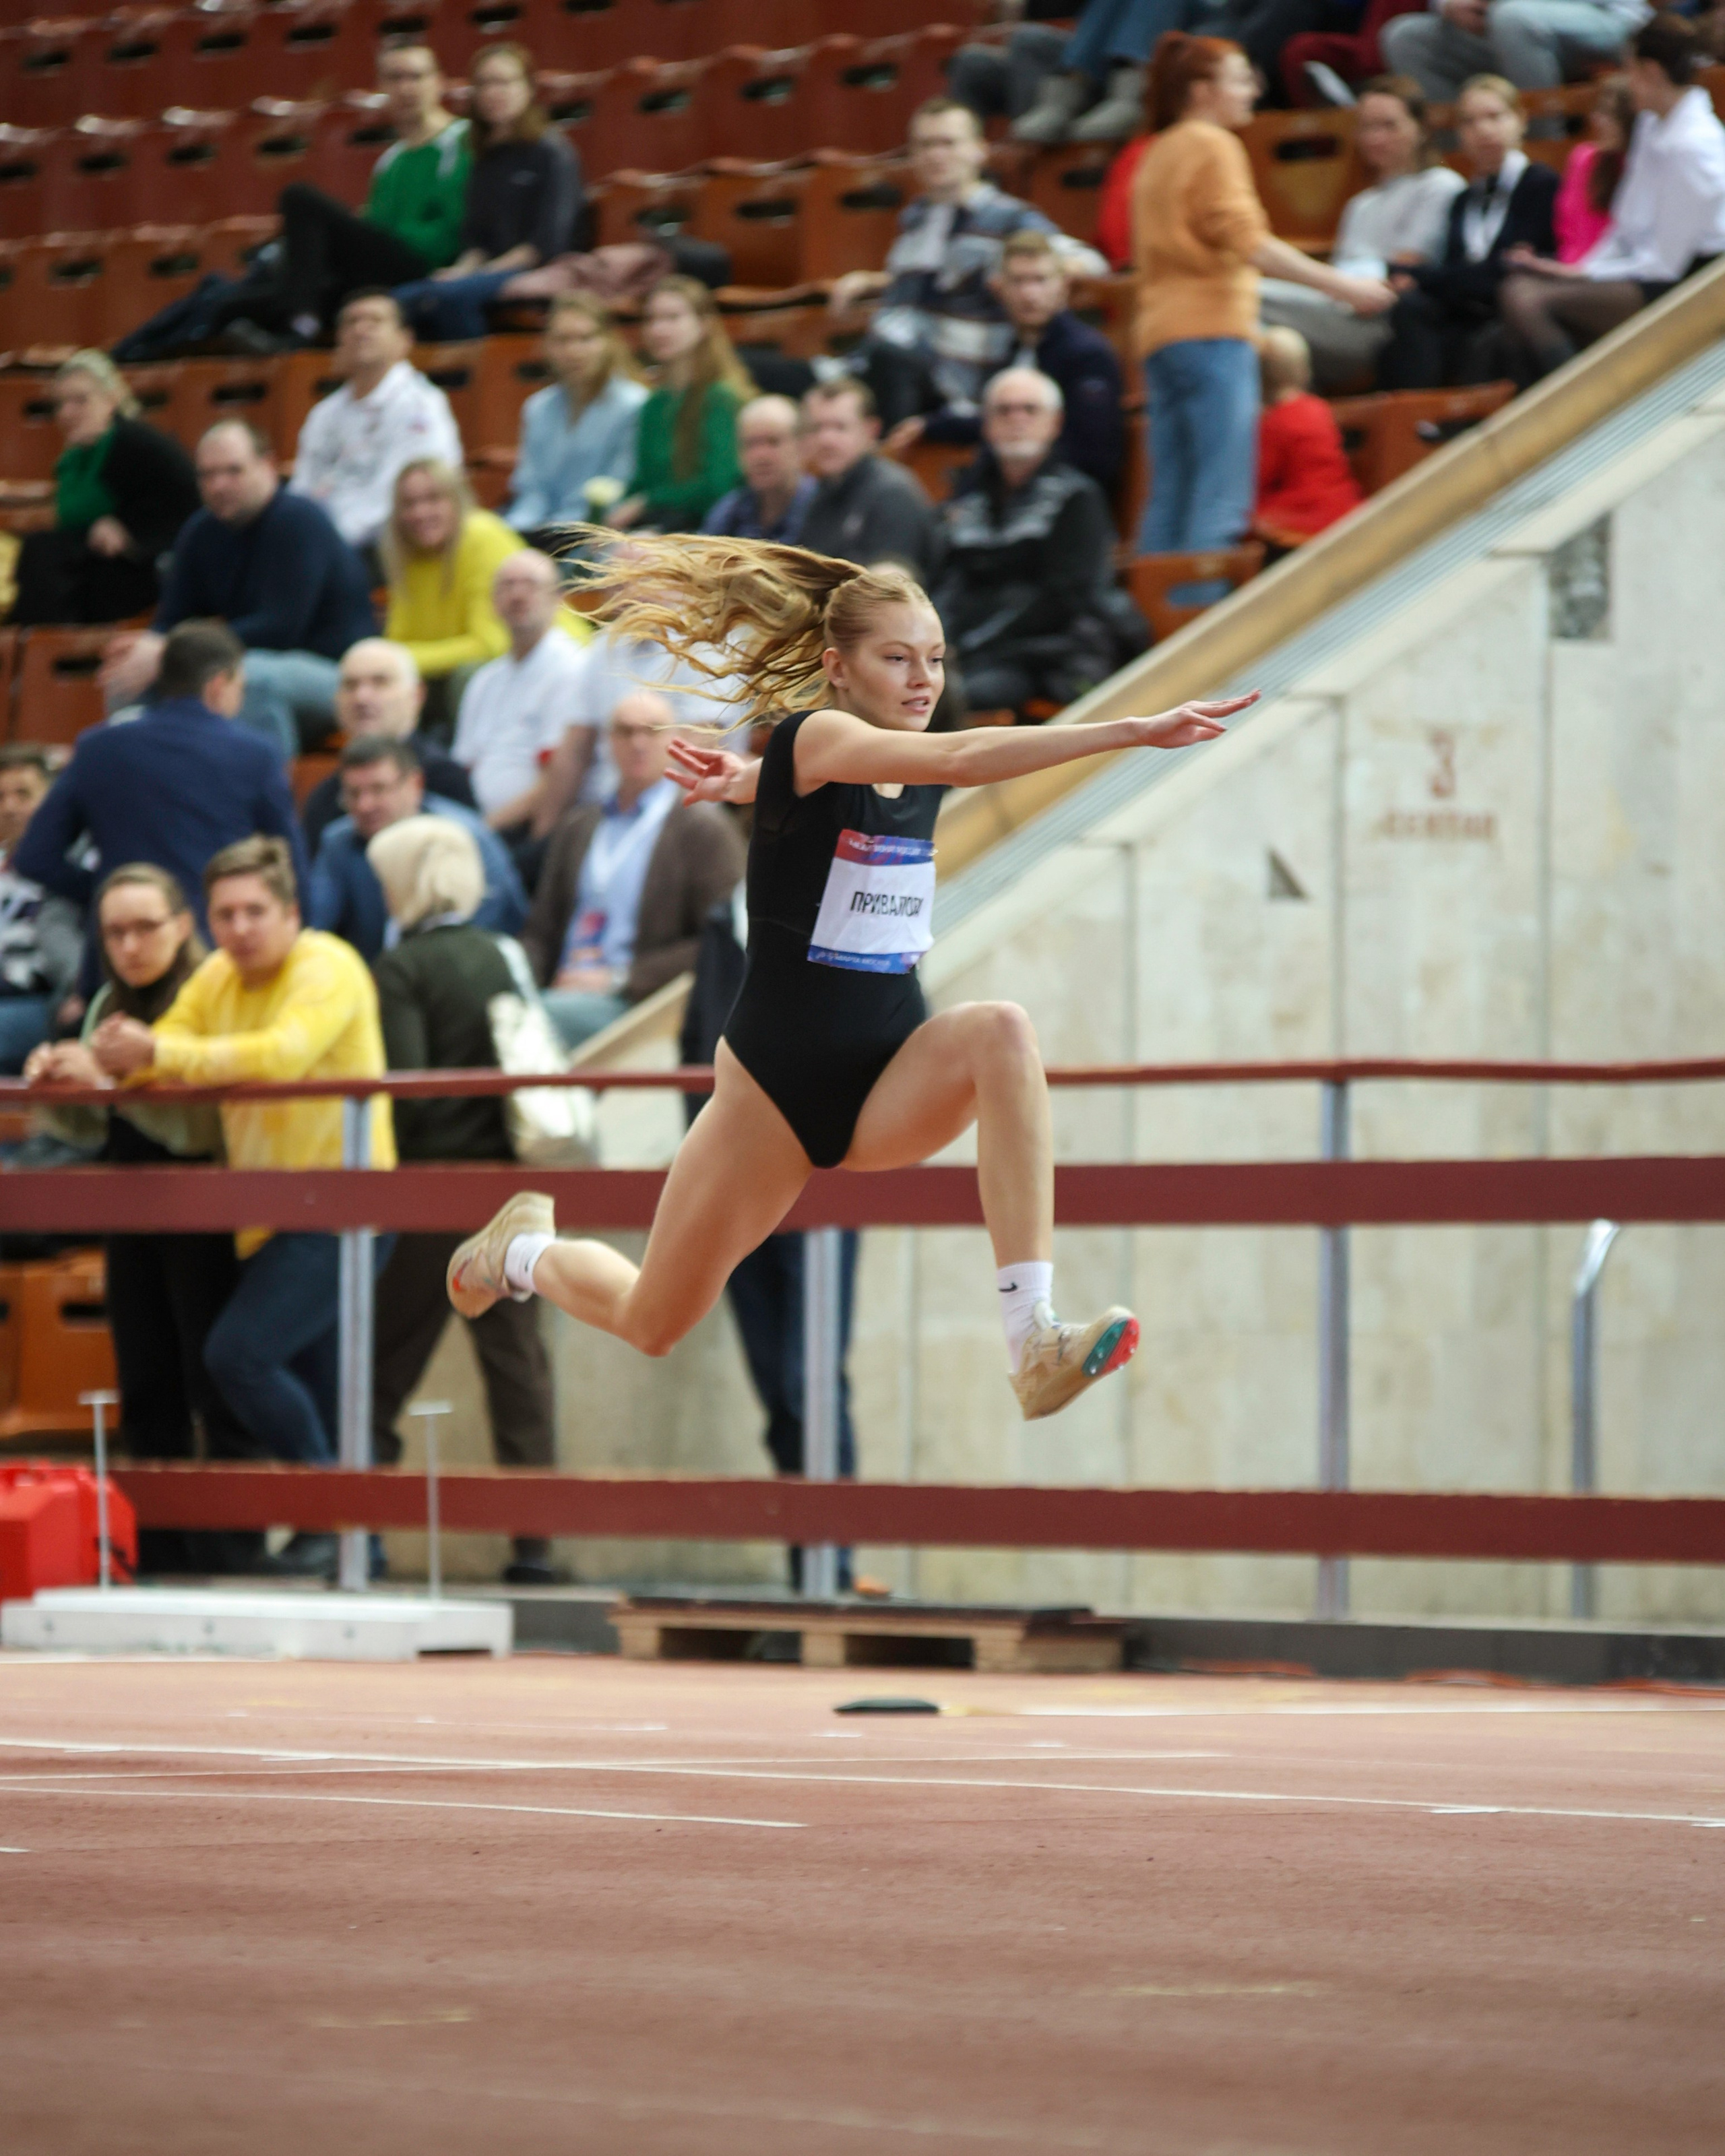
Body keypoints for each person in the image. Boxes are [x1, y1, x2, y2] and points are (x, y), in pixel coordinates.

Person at [447, 533, 1253, 1423]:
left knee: (1003, 1032)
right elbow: (947, 760)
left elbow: (853, 783)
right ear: (837, 666)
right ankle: (523, 1253)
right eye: (898, 659)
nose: (924, 681)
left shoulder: (848, 754)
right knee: (652, 1320)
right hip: (774, 1095)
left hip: (886, 1074)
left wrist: (751, 782)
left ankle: (1033, 1336)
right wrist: (1134, 729)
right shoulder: (821, 731)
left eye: (936, 660)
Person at [89, 835, 396, 1577]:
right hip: (264, 1208)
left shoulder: (329, 963)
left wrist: (152, 1057)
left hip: (342, 1203)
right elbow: (168, 1049)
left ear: (292, 912)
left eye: (255, 910)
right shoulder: (219, 975)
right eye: (225, 912)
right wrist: (105, 1060)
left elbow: (281, 1053)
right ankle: (362, 1545)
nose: (239, 926)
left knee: (239, 1354)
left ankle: (334, 1515)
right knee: (315, 1384)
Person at [24, 864, 255, 1575]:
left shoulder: (208, 992)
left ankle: (228, 1546)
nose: (129, 944)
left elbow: (196, 1131)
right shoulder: (105, 1003)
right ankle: (154, 1542)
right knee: (145, 1380)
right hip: (128, 1211)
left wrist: (108, 1083)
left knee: (208, 1380)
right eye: (115, 931)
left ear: (183, 925)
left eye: (145, 927)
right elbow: (90, 1130)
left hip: (203, 1210)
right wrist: (56, 1083)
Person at [367, 815, 561, 1587]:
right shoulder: (502, 954)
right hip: (512, 1190)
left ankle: (363, 1532)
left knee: (382, 1366)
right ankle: (535, 1546)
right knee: (518, 1368)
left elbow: (411, 1092)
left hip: (432, 1190)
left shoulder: (401, 967)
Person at [1133, 35, 1394, 563]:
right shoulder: (1213, 144)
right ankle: (1204, 633)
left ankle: (1159, 630)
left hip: (1160, 338)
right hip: (1212, 332)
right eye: (1239, 77)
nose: (1254, 88)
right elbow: (1250, 244)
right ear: (1203, 90)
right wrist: (1344, 287)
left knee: (1170, 499)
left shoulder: (1156, 152)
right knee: (1220, 500)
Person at [13, 622, 311, 959]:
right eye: (239, 687)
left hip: (122, 957)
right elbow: (290, 865)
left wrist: (105, 889)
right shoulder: (256, 754)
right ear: (218, 686)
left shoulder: (99, 747)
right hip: (218, 956)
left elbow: (34, 856)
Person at [98, 422, 377, 759]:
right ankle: (148, 793)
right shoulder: (200, 531)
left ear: (268, 466)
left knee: (250, 679)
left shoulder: (300, 521)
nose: (219, 485)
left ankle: (261, 797)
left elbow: (280, 627)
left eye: (233, 471)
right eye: (207, 475)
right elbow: (171, 619)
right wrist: (148, 649)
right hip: (242, 660)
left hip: (340, 675)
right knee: (129, 678)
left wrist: (168, 650)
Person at [831, 100, 1106, 433]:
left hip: (948, 384)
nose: (935, 155)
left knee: (891, 361)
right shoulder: (916, 219)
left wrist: (1048, 273)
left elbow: (1090, 262)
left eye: (948, 143)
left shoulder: (1009, 219)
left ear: (979, 150)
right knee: (768, 373)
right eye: (925, 145)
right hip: (874, 364)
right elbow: (932, 283)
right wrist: (875, 281)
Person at [1497, 17, 1725, 381]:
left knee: (1529, 301)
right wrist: (1579, 270)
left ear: (1650, 71)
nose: (1627, 81)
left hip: (1690, 283)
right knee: (1516, 291)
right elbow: (1627, 222)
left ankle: (1577, 397)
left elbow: (1665, 264)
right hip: (1644, 268)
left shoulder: (1695, 147)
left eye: (1631, 71)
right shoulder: (1654, 126)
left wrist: (1587, 276)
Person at [522, 689, 745, 1049]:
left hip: (641, 1006)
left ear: (677, 740)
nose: (638, 743)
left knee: (534, 1026)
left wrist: (620, 978)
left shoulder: (703, 828)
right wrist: (519, 984)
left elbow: (723, 941)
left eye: (653, 730)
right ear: (608, 741)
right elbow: (541, 928)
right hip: (562, 987)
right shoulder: (580, 825)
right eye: (625, 732)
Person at [216, 42, 471, 350]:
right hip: (383, 268)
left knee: (300, 198)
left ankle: (300, 324)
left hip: (427, 266)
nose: (406, 88)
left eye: (416, 77)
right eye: (395, 78)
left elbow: (452, 231)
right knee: (234, 304)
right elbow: (377, 228)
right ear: (383, 87)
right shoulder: (393, 158)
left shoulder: (461, 141)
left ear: (439, 82)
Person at [932, 370, 1131, 713]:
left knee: (950, 698)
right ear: (987, 424)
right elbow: (948, 584)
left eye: (1029, 409)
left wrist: (975, 642)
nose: (1017, 419)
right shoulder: (966, 504)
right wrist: (939, 644)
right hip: (971, 653)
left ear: (1055, 422)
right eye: (1004, 410)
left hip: (1046, 658)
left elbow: (1071, 597)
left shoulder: (1077, 497)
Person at [1259, 77, 1466, 392]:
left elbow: (1406, 270)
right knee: (1250, 325)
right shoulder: (1360, 205)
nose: (1376, 138)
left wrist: (1345, 288)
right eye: (1368, 127)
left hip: (1381, 320)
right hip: (1338, 305)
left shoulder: (1440, 185)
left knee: (1246, 295)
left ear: (1421, 129)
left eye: (1389, 126)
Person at [885, 231, 1127, 498]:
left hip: (1066, 501)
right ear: (999, 288)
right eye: (1018, 281)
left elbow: (1093, 455)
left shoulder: (1085, 353)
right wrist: (930, 426)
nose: (1029, 294)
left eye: (1040, 280)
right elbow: (998, 420)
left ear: (1063, 286)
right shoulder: (1013, 351)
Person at [1375, 74, 1561, 389]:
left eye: (1494, 117)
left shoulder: (1540, 184)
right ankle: (1415, 420)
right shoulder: (1463, 199)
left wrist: (1424, 275)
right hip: (1466, 309)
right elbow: (1461, 271)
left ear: (1520, 120)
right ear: (1460, 134)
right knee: (1405, 312)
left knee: (1486, 338)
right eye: (1470, 122)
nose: (1484, 131)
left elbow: (1505, 270)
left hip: (1510, 308)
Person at [392, 44, 582, 344]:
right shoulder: (483, 156)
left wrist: (479, 275)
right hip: (490, 270)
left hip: (537, 267)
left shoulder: (552, 151)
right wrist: (461, 270)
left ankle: (474, 378)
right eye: (483, 84)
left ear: (529, 88)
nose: (493, 92)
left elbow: (546, 244)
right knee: (400, 300)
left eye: (504, 82)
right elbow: (477, 240)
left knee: (451, 298)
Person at [10, 352, 199, 629]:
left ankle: (43, 647)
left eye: (80, 400)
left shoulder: (133, 441)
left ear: (111, 400)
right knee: (40, 551)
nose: (66, 413)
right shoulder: (74, 458)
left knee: (45, 555)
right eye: (60, 404)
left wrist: (130, 532)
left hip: (158, 565)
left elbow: (188, 505)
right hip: (106, 562)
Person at [308, 736, 525, 963]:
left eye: (379, 789)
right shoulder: (338, 842)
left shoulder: (463, 837)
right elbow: (317, 926)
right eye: (353, 794)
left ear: (415, 784)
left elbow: (496, 923)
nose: (365, 805)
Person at [290, 292, 463, 561]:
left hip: (389, 548)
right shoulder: (323, 414)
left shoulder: (421, 407)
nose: (361, 329)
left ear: (405, 340)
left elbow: (402, 501)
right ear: (339, 340)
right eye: (351, 322)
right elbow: (302, 490)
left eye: (375, 320)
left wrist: (327, 543)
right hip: (323, 548)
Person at [451, 549, 595, 857]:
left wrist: (483, 829)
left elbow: (558, 778)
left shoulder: (572, 669)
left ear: (558, 598)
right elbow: (464, 767)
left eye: (530, 584)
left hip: (528, 833)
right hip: (478, 826)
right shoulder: (484, 680)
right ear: (493, 602)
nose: (518, 595)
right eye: (507, 585)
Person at [301, 638, 476, 858]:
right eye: (350, 685)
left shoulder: (444, 778)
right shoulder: (324, 797)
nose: (362, 697)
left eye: (380, 682)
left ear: (417, 694)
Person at [383, 459, 520, 733]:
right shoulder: (406, 554)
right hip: (444, 679)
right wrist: (394, 661)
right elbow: (397, 643)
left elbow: (490, 645)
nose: (420, 513)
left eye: (433, 499)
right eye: (409, 504)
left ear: (458, 500)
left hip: (534, 669)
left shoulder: (483, 536)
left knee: (469, 676)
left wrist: (402, 658)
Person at [609, 278, 753, 534]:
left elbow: (718, 486)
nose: (659, 330)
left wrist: (647, 502)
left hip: (708, 532)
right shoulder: (653, 405)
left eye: (673, 318)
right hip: (656, 525)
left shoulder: (722, 399)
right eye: (652, 319)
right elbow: (642, 480)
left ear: (703, 325)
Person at [503, 294, 648, 546]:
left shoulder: (634, 405)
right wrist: (515, 534)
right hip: (539, 533)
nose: (573, 351)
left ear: (608, 342)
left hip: (599, 535)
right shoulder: (537, 408)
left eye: (586, 338)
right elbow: (531, 489)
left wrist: (560, 535)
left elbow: (616, 490)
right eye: (562, 340)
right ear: (547, 346)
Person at [797, 381, 943, 584]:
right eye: (816, 428)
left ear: (871, 431)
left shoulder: (892, 495)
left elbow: (891, 590)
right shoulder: (821, 492)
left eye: (840, 427)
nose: (826, 439)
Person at [1382, 0, 1644, 103]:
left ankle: (1542, 145)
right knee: (1405, 37)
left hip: (1609, 20)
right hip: (1511, 32)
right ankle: (1462, 154)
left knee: (1512, 17)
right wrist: (1450, 5)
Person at [0, 747, 80, 1073]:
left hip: (40, 1000)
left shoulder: (73, 868)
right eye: (1, 796)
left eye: (23, 794)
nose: (9, 807)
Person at [1252, 328, 1365, 540]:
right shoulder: (1318, 408)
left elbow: (1261, 476)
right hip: (1343, 502)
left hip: (1304, 511)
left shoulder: (1274, 421)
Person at [701, 396, 817, 544]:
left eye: (773, 442)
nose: (761, 456)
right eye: (751, 444)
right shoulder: (729, 511)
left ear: (801, 446)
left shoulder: (824, 508)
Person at [1554, 73, 1636, 261]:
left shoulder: (1646, 166)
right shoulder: (1583, 159)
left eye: (1610, 114)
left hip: (1623, 269)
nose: (1598, 121)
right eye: (1599, 111)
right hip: (1580, 268)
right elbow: (1568, 229)